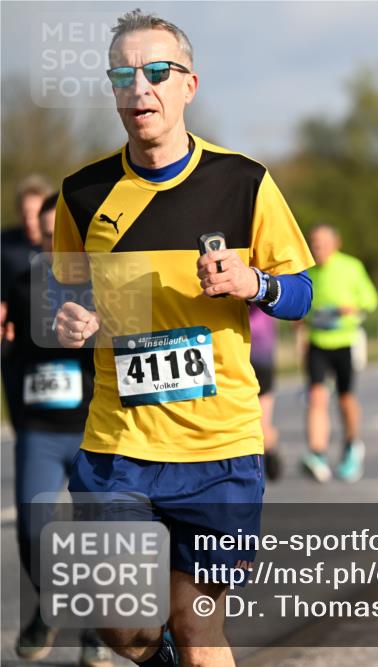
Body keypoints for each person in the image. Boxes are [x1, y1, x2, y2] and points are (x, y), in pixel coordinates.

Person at [52, 10, 313, 666]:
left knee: (198, 630)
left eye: (156, 72)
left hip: (218, 447)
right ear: (113, 91)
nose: (140, 88)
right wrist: (68, 320)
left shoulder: (243, 181)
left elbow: (303, 295)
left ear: (188, 85)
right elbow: (64, 298)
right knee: (121, 625)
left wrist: (254, 282)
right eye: (123, 75)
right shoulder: (82, 195)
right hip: (119, 445)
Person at [8, 193, 112, 666]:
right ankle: (50, 605)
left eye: (63, 234)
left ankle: (100, 631)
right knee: (33, 530)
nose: (56, 242)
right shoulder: (20, 280)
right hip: (40, 429)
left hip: (96, 426)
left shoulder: (107, 286)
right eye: (48, 234)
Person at [300, 225, 378, 483]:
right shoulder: (308, 272)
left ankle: (351, 446)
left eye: (322, 243)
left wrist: (351, 308)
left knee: (345, 399)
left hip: (346, 341)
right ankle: (317, 453)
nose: (317, 248)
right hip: (317, 342)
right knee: (316, 397)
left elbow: (371, 299)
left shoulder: (351, 266)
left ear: (336, 243)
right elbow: (300, 308)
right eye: (314, 243)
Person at [2, 175, 52, 432]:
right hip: (18, 343)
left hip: (59, 338)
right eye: (24, 213)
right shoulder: (6, 246)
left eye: (35, 213)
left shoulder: (66, 245)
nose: (30, 221)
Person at [249, 304, 282, 480]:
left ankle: (269, 451)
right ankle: (270, 451)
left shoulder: (259, 282)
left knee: (262, 420)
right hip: (241, 357)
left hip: (261, 358)